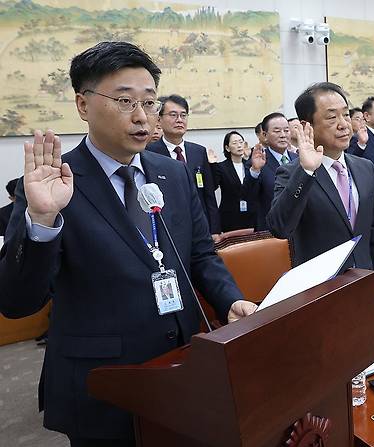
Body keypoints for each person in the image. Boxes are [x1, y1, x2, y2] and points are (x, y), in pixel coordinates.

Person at [0, 41, 257, 446]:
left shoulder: (171, 173)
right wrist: (43, 220)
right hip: (103, 383)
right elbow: (16, 301)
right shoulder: (52, 183)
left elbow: (200, 256)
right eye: (124, 101)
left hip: (182, 367)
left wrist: (229, 300)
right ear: (83, 105)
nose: (142, 117)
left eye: (150, 103)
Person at [267, 82, 374, 288]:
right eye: (332, 117)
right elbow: (279, 227)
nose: (344, 124)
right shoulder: (293, 173)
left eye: (346, 115)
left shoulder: (365, 168)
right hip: (319, 292)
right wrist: (306, 172)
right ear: (307, 126)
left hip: (364, 285)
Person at [146, 94, 221, 240]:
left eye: (183, 115)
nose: (179, 120)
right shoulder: (149, 153)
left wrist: (215, 229)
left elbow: (209, 195)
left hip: (200, 226)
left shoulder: (198, 152)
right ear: (159, 120)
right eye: (173, 115)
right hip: (167, 228)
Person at [249, 112, 297, 230]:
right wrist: (255, 170)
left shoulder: (299, 159)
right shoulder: (257, 161)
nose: (283, 135)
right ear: (265, 135)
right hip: (271, 230)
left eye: (286, 130)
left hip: (300, 227)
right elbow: (249, 196)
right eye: (277, 131)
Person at [210, 131, 264, 232]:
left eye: (241, 142)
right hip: (230, 217)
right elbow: (212, 186)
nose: (239, 145)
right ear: (227, 148)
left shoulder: (252, 165)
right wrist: (212, 166)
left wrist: (249, 159)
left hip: (252, 216)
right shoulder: (221, 167)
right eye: (234, 143)